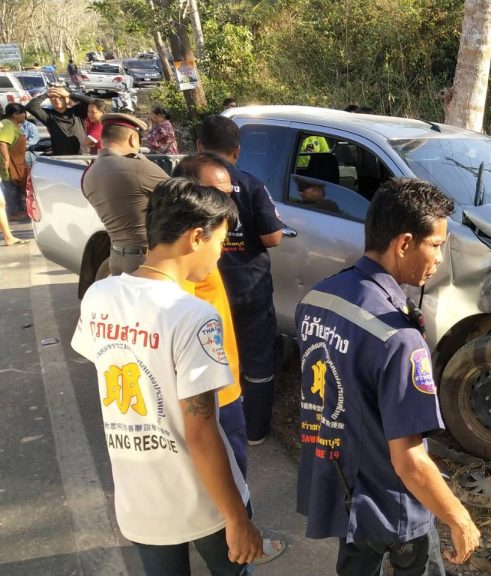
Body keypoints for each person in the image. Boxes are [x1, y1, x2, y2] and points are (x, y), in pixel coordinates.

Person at [71, 177, 263, 574]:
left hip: (139, 500)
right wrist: (237, 519)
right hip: (203, 501)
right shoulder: (193, 316)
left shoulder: (99, 295)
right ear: (196, 237)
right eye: (220, 243)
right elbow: (202, 433)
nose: (219, 256)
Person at [295, 178, 480, 576]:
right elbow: (410, 461)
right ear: (404, 243)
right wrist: (458, 517)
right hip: (393, 503)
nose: (439, 259)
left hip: (343, 486)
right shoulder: (398, 338)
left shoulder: (315, 300)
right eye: (436, 245)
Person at [172, 152, 287, 564]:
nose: (230, 210)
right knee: (227, 488)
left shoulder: (199, 261)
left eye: (230, 194)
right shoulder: (183, 285)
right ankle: (238, 545)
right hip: (215, 401)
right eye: (217, 195)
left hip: (227, 391)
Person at [196, 115, 284, 446]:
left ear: (200, 146)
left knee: (208, 356)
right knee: (257, 359)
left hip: (203, 288)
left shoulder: (188, 185)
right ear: (236, 151)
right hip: (250, 287)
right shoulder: (251, 184)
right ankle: (255, 431)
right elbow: (273, 238)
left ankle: (212, 428)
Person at [81, 113, 169, 275]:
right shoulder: (136, 167)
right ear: (133, 139)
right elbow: (183, 196)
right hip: (144, 260)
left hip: (116, 257)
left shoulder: (89, 173)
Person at [26, 85, 94, 155]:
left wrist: (69, 94)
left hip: (82, 154)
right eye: (53, 97)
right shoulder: (48, 115)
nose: (56, 99)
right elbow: (30, 106)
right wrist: (46, 94)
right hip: (61, 156)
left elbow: (93, 102)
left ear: (67, 99)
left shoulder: (77, 111)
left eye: (60, 97)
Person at [1, 103, 28, 220]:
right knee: (10, 187)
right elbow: (2, 142)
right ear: (16, 114)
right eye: (23, 113)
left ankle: (17, 211)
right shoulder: (8, 125)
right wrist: (6, 159)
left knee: (16, 187)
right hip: (10, 163)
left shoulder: (14, 125)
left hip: (17, 162)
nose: (25, 115)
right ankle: (11, 212)